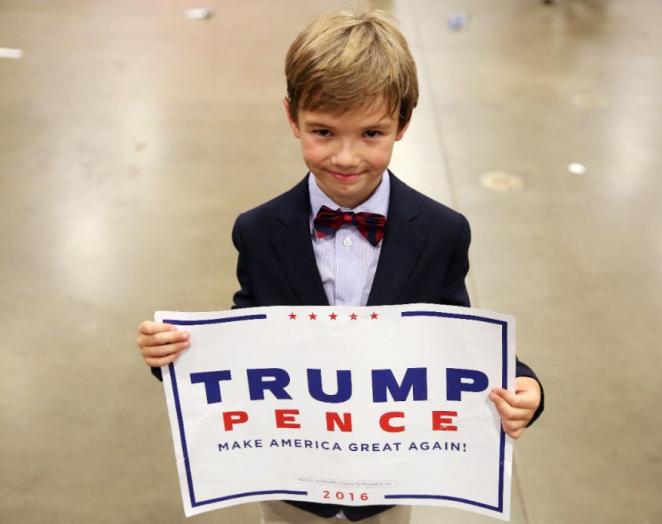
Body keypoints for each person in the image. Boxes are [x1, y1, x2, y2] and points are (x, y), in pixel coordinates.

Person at [137, 10, 543, 524]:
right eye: (323, 132)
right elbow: (248, 334)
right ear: (292, 118)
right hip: (292, 484)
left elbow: (452, 339)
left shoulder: (442, 232)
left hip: (388, 483)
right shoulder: (260, 231)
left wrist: (524, 384)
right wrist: (171, 355)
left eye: (371, 133)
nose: (347, 157)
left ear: (403, 123)